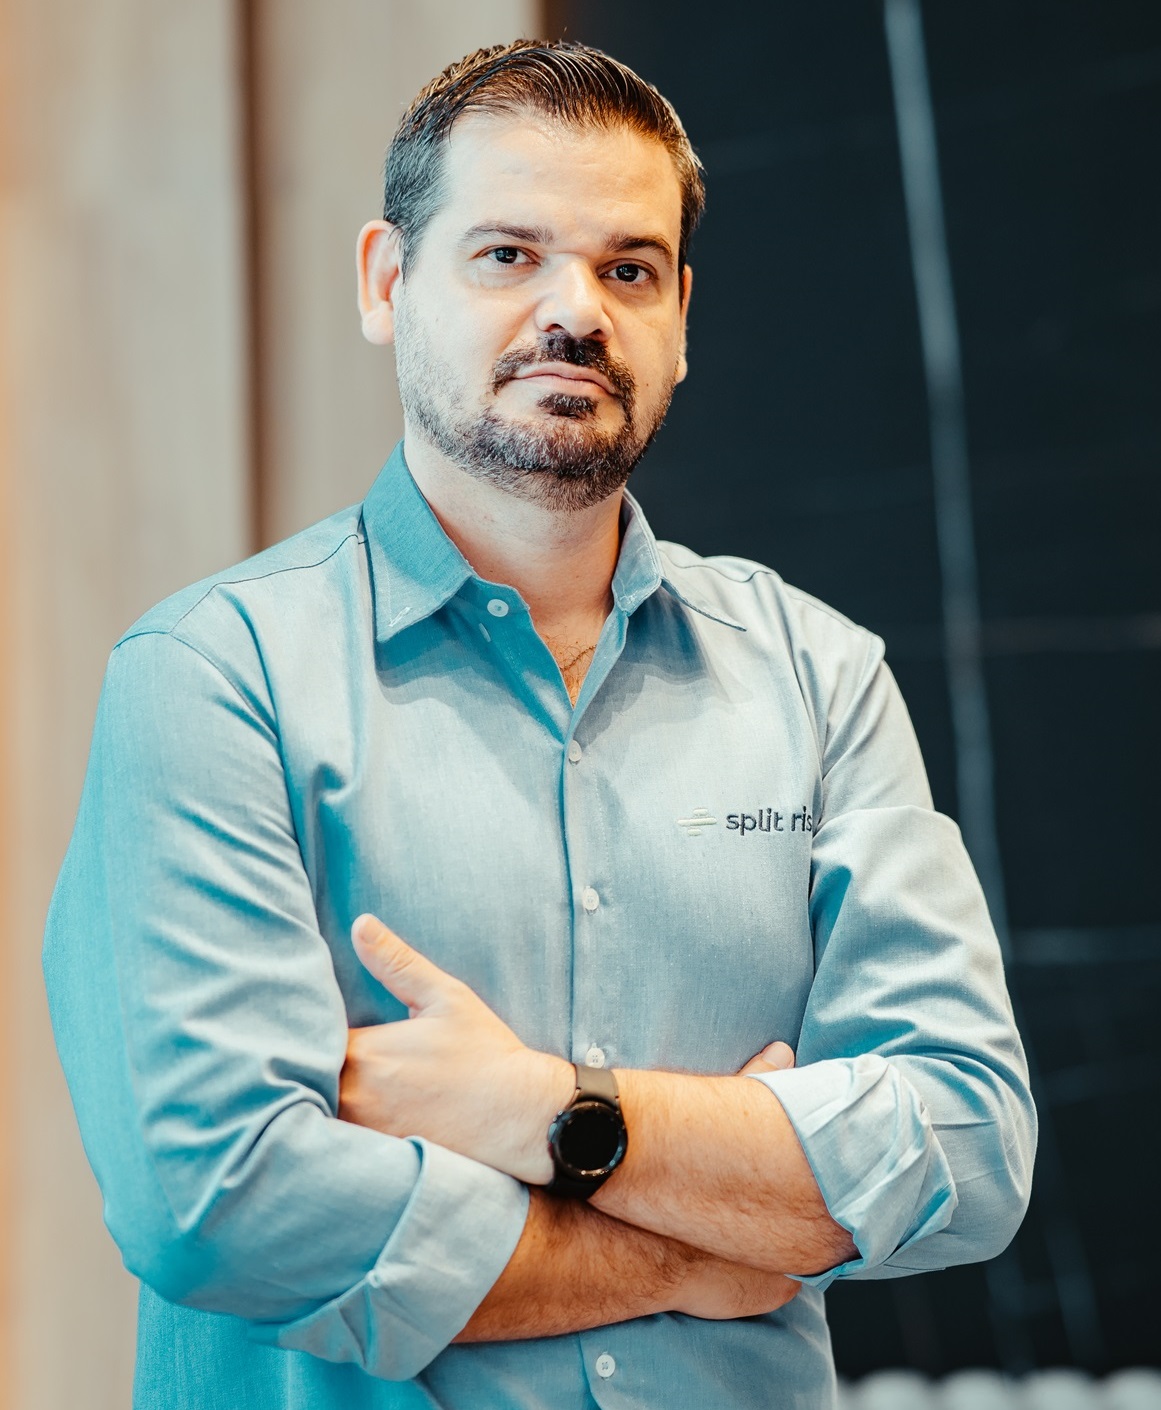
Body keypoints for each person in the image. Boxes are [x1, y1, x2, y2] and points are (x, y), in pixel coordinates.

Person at [45, 38, 1036, 1410]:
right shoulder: (216, 677)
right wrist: (707, 1237)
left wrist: (547, 1114)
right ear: (387, 283)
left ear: (680, 319)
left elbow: (966, 1142)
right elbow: (218, 1197)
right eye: (507, 255)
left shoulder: (821, 677)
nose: (574, 310)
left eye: (628, 269)